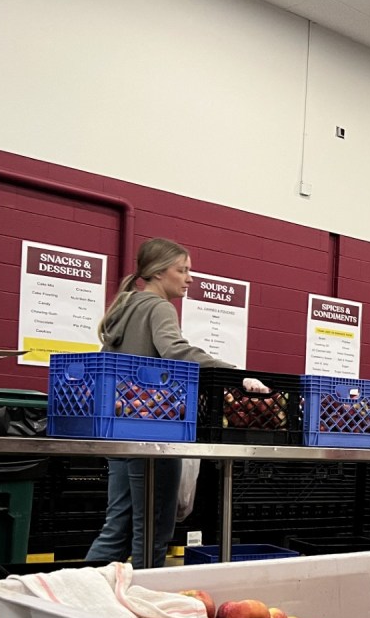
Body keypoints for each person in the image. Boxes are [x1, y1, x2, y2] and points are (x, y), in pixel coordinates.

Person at [86, 238, 264, 569]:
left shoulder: (125, 306)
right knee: (152, 530)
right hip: (153, 431)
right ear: (157, 272)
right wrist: (233, 373)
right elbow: (175, 350)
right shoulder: (158, 307)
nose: (189, 278)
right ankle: (144, 600)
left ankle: (75, 596)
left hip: (119, 430)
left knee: (116, 528)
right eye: (182, 270)